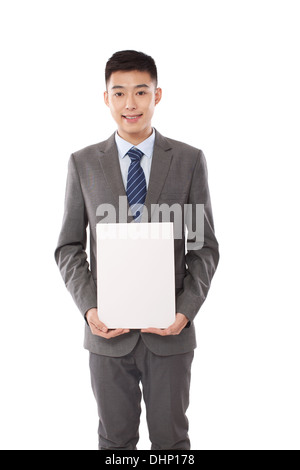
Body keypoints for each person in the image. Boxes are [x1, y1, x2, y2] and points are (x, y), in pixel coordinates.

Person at [55, 50, 219, 450]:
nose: (131, 104)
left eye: (141, 92)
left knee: (171, 444)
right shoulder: (83, 164)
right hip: (107, 337)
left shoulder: (188, 160)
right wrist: (91, 308)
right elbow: (70, 246)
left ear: (157, 95)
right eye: (120, 93)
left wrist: (184, 311)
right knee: (114, 444)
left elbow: (203, 247)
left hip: (171, 336)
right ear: (106, 98)